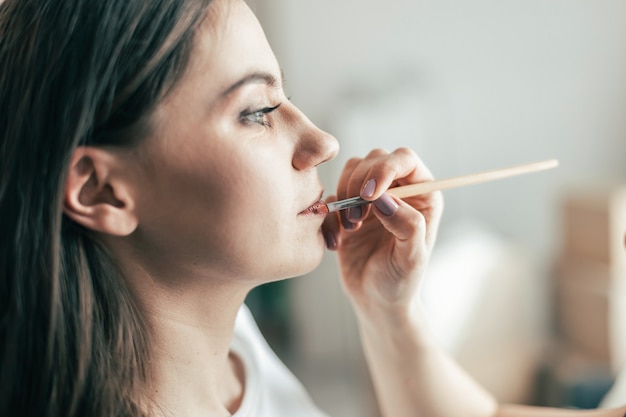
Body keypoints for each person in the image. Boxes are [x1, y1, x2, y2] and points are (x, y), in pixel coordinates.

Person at [1, 0, 625, 416]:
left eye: (282, 99)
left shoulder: (228, 345)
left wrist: (387, 312)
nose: (323, 143)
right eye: (257, 111)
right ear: (102, 191)